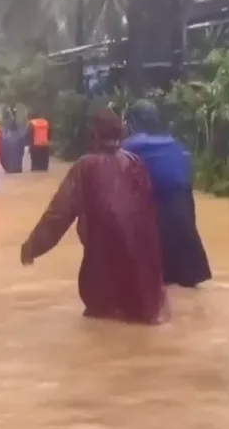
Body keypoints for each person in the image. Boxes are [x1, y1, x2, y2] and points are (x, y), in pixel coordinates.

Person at [20, 108, 166, 325]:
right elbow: (150, 214)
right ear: (121, 133)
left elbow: (58, 214)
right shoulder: (136, 163)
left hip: (102, 273)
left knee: (99, 322)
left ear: (94, 134)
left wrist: (32, 247)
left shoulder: (85, 166)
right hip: (145, 281)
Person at [122, 100, 213, 287]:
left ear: (132, 123)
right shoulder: (176, 145)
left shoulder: (127, 148)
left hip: (155, 223)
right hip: (185, 224)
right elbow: (185, 181)